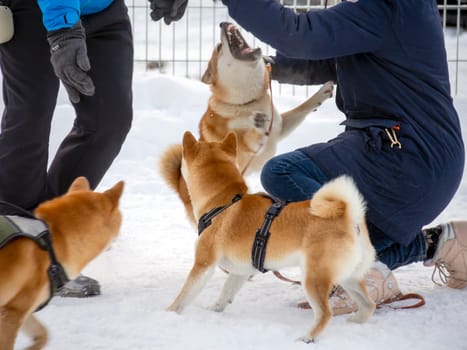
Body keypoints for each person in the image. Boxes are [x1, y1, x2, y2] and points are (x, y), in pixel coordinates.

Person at [149, 0, 467, 312]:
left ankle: (356, 268)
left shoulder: (387, 7)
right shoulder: (396, 11)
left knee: (283, 172)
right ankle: (443, 243)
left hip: (406, 156)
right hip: (422, 160)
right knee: (351, 237)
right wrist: (267, 67)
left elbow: (299, 34)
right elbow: (325, 62)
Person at [0, 0, 133, 297]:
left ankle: (47, 236)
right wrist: (62, 26)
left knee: (109, 120)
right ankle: (15, 250)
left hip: (102, 8)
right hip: (34, 10)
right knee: (28, 120)